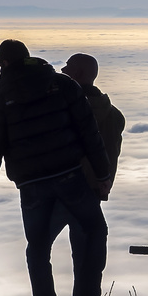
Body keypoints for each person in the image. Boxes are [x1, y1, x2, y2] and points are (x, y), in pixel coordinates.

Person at [0, 39, 113, 296]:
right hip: (70, 178)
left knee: (37, 251)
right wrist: (103, 175)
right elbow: (89, 133)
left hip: (32, 187)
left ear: (4, 64)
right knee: (94, 233)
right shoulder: (62, 86)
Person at [59, 53, 125, 198]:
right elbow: (112, 153)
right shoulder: (114, 116)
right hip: (96, 187)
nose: (63, 70)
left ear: (78, 73)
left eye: (68, 66)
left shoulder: (63, 110)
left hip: (64, 187)